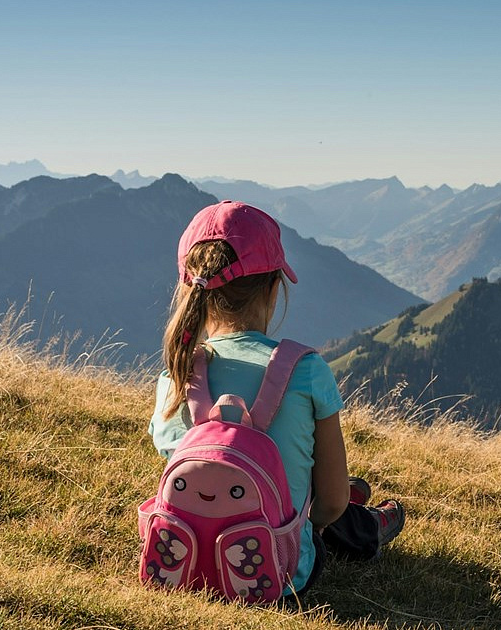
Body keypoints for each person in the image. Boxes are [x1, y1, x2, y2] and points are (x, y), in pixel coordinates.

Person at [147, 200, 405, 596]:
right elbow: (330, 506)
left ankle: (352, 509)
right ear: (273, 288)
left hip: (183, 564)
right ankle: (368, 525)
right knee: (325, 500)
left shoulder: (176, 375)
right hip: (282, 575)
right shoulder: (305, 370)